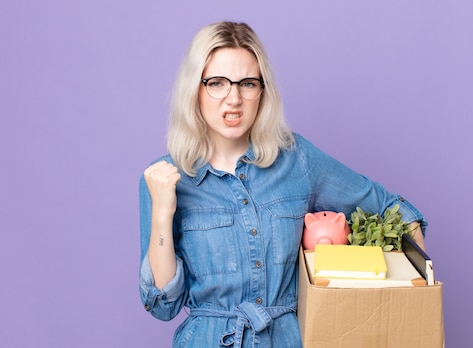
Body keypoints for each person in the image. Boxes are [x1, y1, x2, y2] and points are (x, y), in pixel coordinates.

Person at [139, 21, 427, 347]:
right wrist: (163, 212)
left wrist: (412, 300)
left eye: (247, 83)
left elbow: (394, 210)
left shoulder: (296, 159)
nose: (233, 99)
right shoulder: (161, 177)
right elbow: (163, 305)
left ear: (262, 92)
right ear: (196, 89)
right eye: (217, 83)